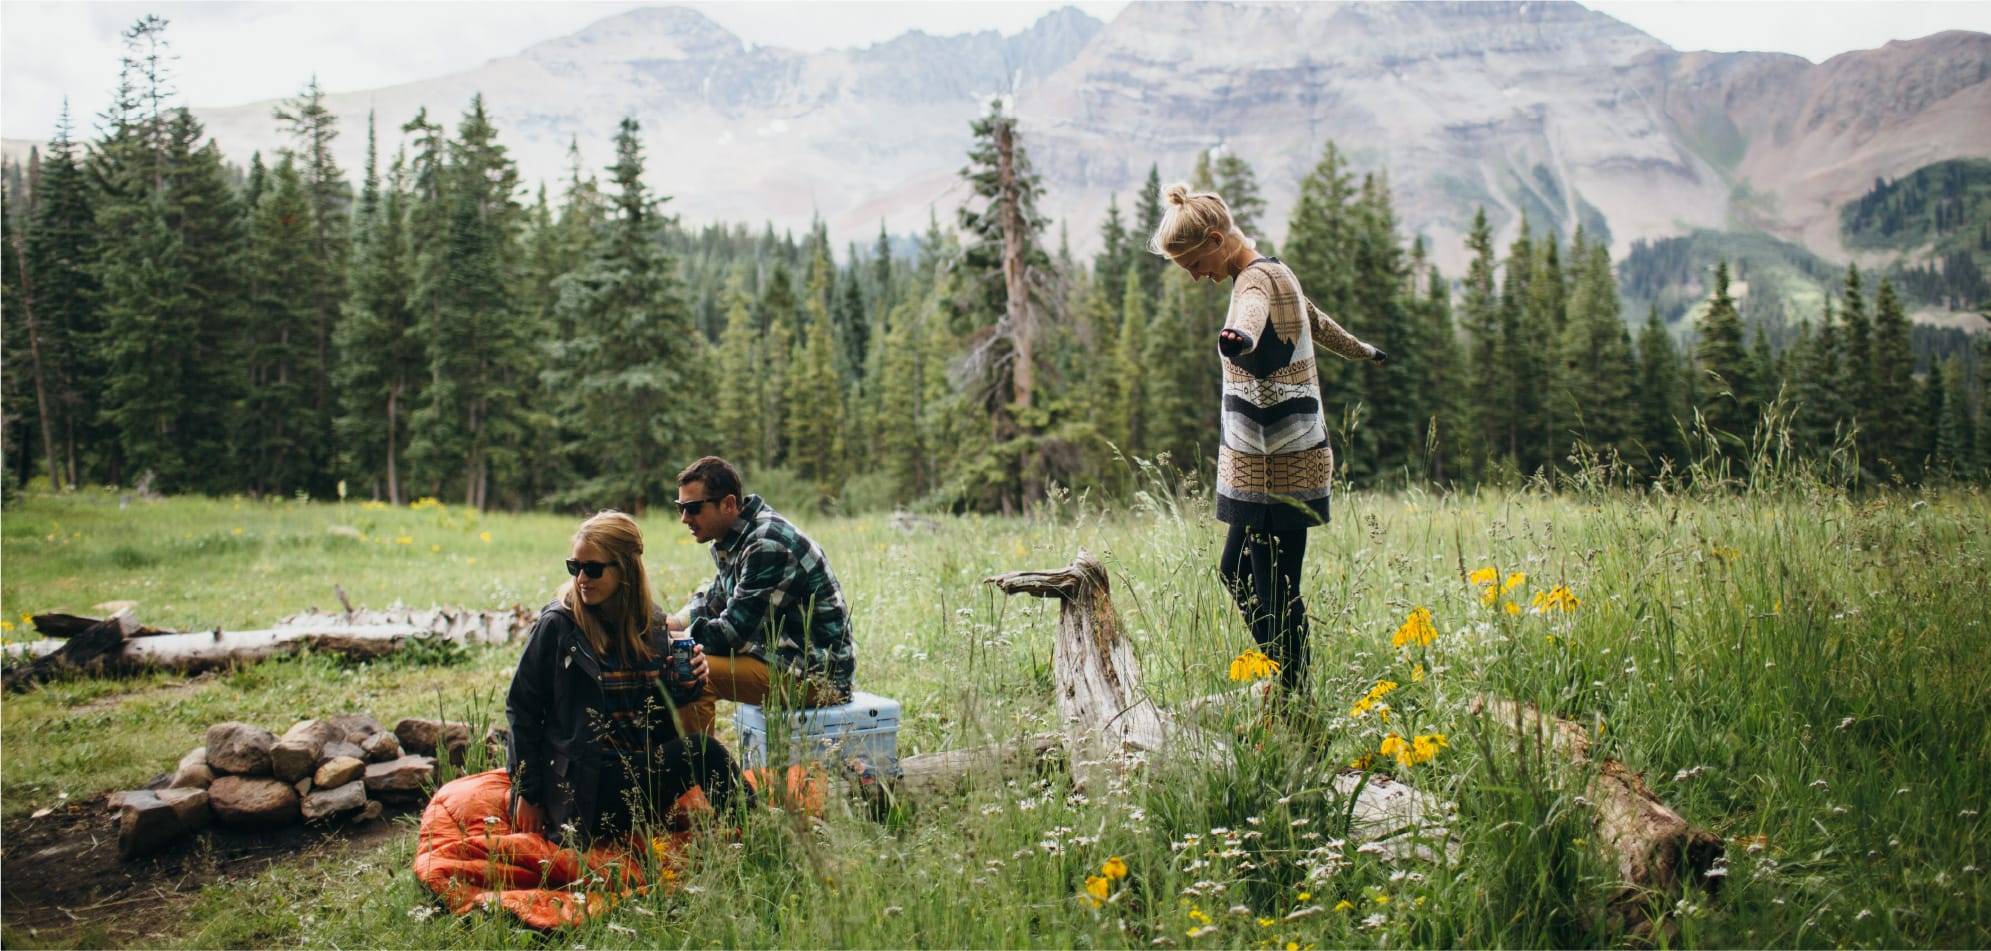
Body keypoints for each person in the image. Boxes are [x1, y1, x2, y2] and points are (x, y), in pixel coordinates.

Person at [1149, 182, 1387, 692]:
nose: (1195, 278)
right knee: (1238, 574)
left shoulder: (1253, 284)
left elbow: (1250, 320)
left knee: (1275, 590)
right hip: (1270, 459)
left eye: (1193, 264)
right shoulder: (1279, 273)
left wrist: (1240, 339)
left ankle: (1294, 694)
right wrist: (1363, 350)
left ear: (1216, 239)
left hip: (1275, 463)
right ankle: (1284, 678)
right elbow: (1319, 325)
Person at [506, 510, 747, 844]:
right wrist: (527, 793)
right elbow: (522, 709)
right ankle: (758, 834)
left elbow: (654, 709)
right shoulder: (559, 626)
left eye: (592, 569)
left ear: (626, 569)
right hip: (581, 783)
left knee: (703, 753)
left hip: (635, 771)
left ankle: (752, 838)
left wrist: (689, 685)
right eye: (574, 567)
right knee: (704, 752)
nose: (581, 579)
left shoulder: (651, 624)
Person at [666, 456, 855, 736]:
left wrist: (675, 642)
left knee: (691, 674)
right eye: (680, 507)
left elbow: (732, 633)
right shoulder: (738, 536)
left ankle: (700, 775)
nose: (685, 518)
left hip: (818, 678)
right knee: (679, 658)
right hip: (786, 661)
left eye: (693, 508)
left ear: (728, 504)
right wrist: (671, 624)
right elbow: (714, 599)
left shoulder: (766, 544)